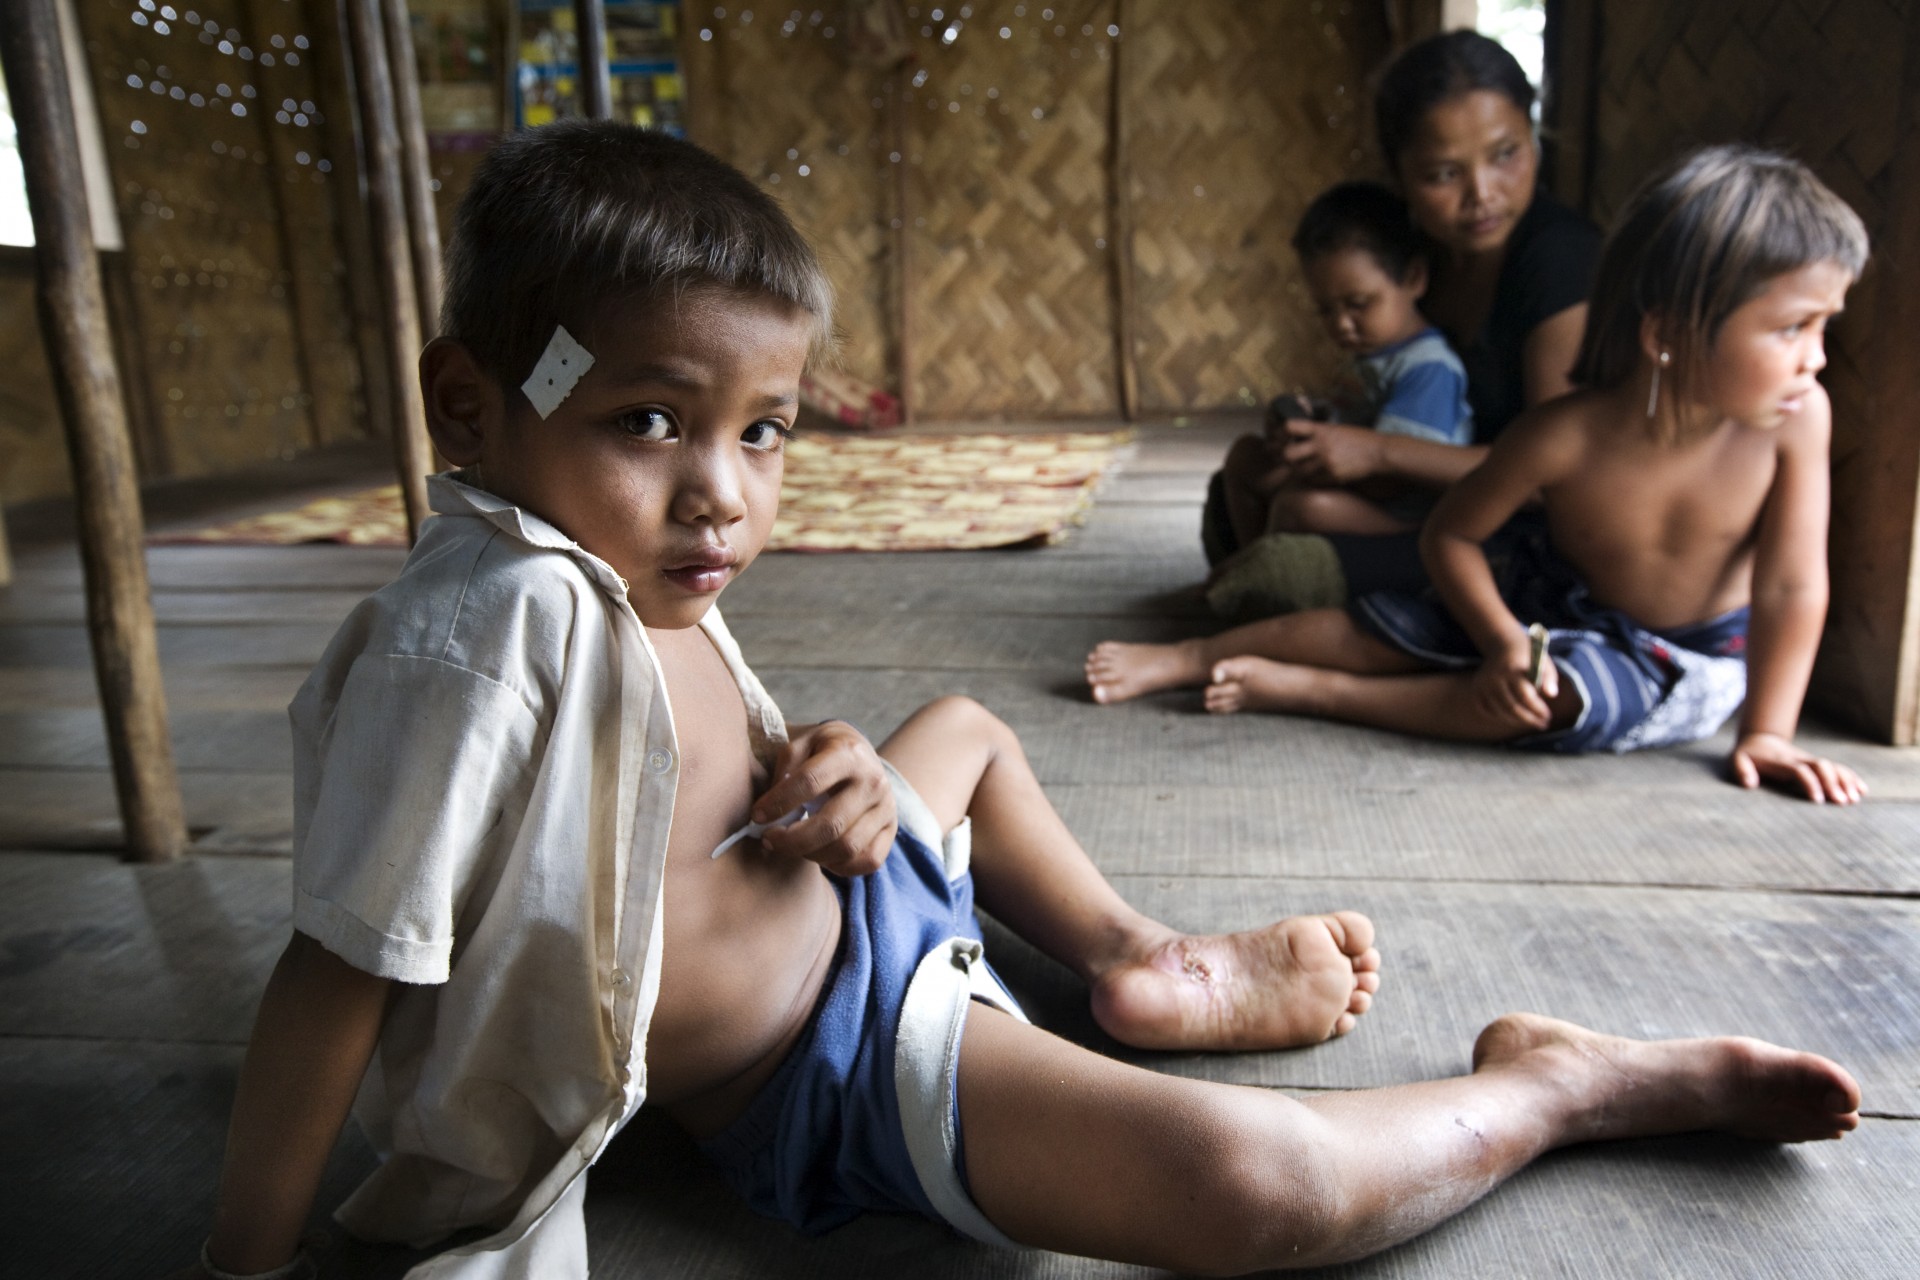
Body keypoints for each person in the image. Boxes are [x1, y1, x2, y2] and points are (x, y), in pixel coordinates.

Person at [182, 126, 1860, 1280]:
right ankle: (1564, 1082)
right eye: (646, 420)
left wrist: (818, 765)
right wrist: (251, 1262)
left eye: (763, 432)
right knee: (1255, 1191)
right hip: (831, 1057)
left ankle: (1132, 955)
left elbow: (677, 781)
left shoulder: (598, 580)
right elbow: (344, 967)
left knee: (958, 729)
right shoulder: (491, 627)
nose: (723, 498)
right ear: (471, 405)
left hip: (850, 919)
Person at [1090, 146, 1869, 807]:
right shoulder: (1564, 434)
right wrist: (1500, 638)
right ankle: (1194, 658)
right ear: (1668, 332)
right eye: (1794, 327)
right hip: (1544, 601)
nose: (1817, 355)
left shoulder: (1800, 420)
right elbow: (1451, 535)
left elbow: (1792, 588)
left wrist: (1768, 732)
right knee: (1390, 627)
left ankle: (1312, 692)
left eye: (1823, 324)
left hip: (1679, 657)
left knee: (1550, 695)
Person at [1205, 30, 1603, 609]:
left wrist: (1377, 452)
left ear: (1533, 135)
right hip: (1419, 502)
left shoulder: (1558, 262)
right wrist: (1321, 428)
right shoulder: (1420, 255)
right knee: (1237, 490)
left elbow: (1554, 483)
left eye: (1505, 154)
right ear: (1398, 175)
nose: (1482, 194)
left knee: (1290, 567)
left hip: (1515, 534)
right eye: (1443, 174)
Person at [1208, 182, 1473, 608]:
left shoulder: (1427, 368)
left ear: (1414, 278)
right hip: (1360, 489)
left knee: (1301, 507)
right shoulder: (1368, 356)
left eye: (1358, 304)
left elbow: (1395, 478)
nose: (1342, 325)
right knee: (1246, 457)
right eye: (1326, 310)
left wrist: (1313, 469)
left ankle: (1257, 578)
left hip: (1409, 516)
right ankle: (1248, 564)